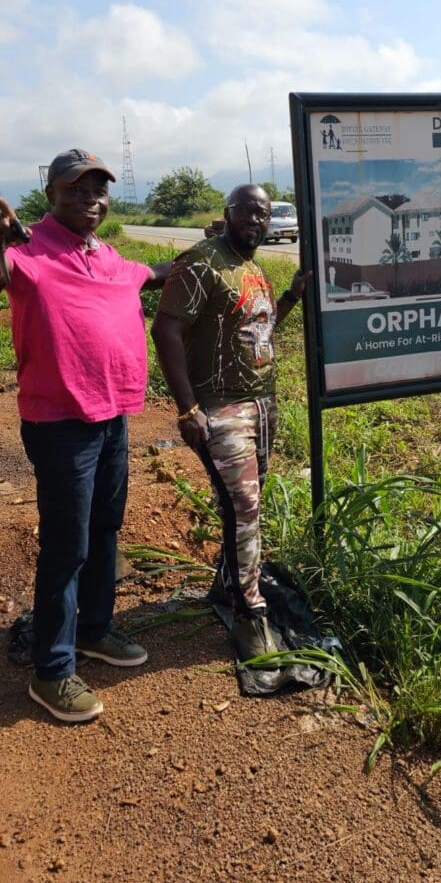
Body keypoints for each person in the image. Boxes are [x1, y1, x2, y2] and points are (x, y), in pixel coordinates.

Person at [0, 149, 171, 722]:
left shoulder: (108, 256)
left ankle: (95, 629)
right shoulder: (26, 250)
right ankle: (52, 670)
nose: (91, 199)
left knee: (105, 528)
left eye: (98, 190)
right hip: (59, 424)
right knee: (67, 544)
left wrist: (216, 247)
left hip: (114, 416)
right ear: (52, 194)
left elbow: (158, 276)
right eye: (78, 190)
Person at [151, 184, 307, 660]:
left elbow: (257, 331)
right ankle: (249, 615)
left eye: (262, 214)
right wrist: (187, 408)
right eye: (247, 213)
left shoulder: (252, 267)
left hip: (260, 405)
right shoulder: (203, 262)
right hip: (220, 408)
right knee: (245, 508)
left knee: (241, 505)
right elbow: (165, 329)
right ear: (228, 213)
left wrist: (291, 298)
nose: (255, 221)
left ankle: (228, 584)